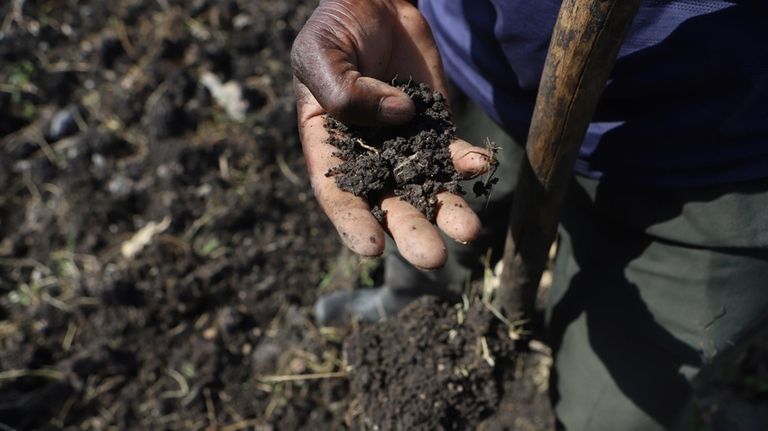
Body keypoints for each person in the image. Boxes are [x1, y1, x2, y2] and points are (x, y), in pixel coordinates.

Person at [291, 1, 768, 430]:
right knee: (430, 224)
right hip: (467, 67)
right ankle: (410, 306)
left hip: (718, 154)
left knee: (613, 406)